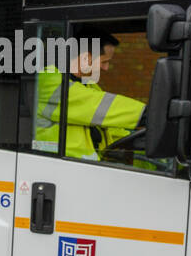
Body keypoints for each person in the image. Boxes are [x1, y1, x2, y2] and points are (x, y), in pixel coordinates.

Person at [33, 26, 146, 161]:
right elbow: (96, 106)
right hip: (55, 168)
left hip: (87, 169)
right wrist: (148, 115)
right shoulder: (48, 80)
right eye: (104, 62)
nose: (106, 68)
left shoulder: (90, 86)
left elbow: (112, 130)